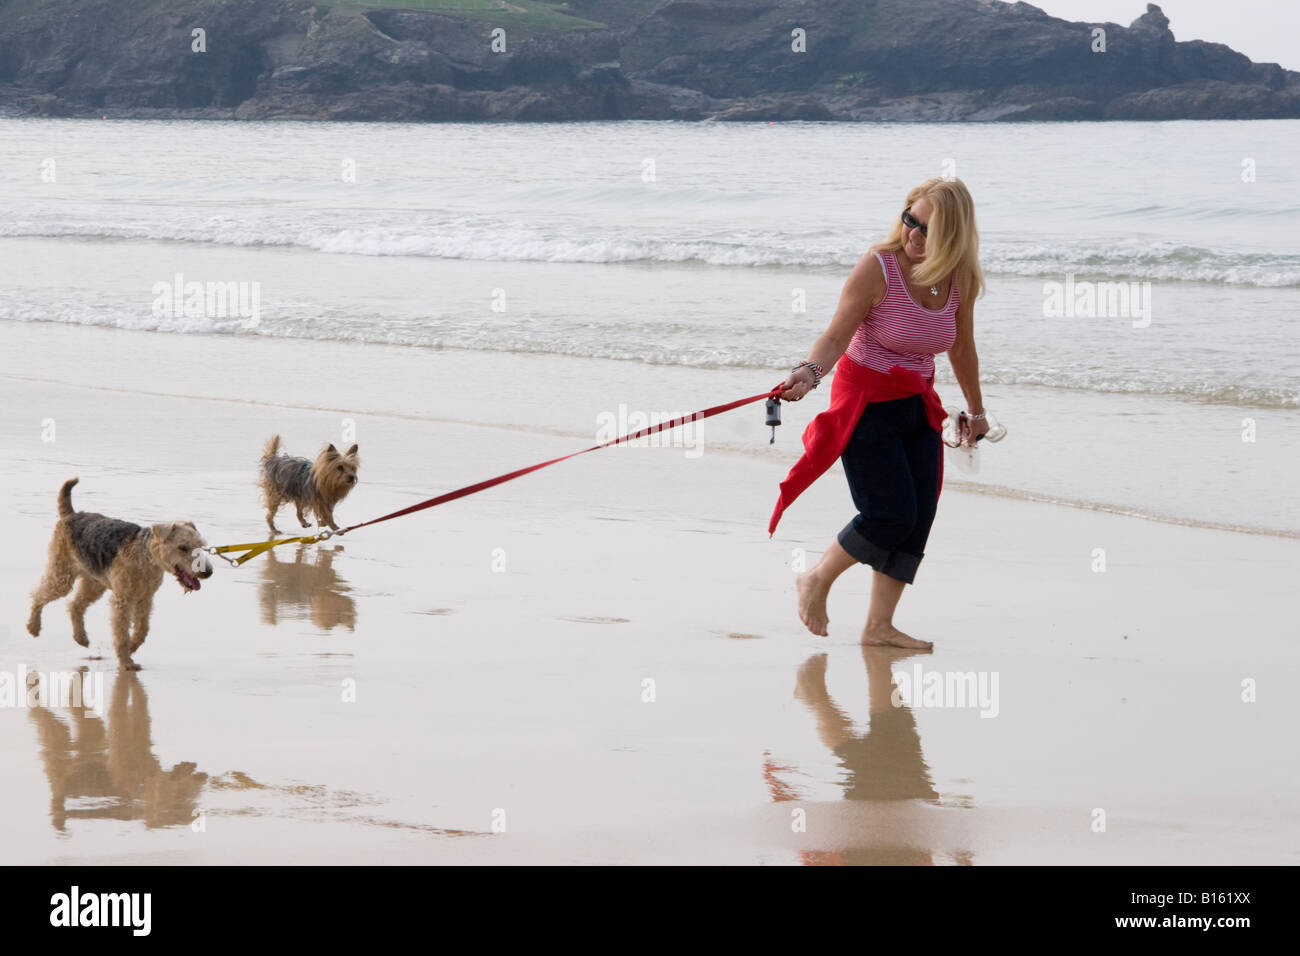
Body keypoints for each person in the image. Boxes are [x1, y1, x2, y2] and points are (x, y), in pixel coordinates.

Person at [770, 177, 988, 649]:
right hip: (865, 401)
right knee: (889, 514)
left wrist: (976, 410)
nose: (914, 234)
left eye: (929, 229)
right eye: (911, 219)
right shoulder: (879, 268)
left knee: (919, 516)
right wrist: (809, 373)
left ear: (954, 236)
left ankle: (878, 627)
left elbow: (962, 348)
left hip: (916, 402)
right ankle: (816, 579)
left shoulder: (960, 280)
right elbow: (835, 336)